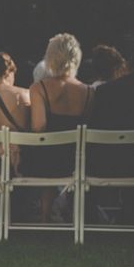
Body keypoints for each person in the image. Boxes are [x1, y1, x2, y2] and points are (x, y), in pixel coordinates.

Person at [28, 33, 94, 223]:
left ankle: (44, 217)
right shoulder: (89, 91)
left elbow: (39, 127)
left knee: (43, 154)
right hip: (77, 160)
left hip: (45, 161)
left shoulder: (39, 88)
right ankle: (74, 215)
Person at [89, 46, 134, 224]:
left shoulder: (104, 92)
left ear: (128, 67)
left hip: (106, 164)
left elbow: (93, 126)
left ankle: (92, 217)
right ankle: (130, 215)